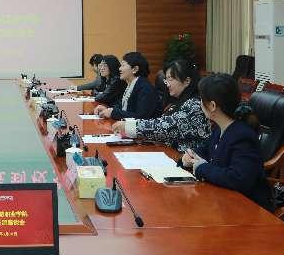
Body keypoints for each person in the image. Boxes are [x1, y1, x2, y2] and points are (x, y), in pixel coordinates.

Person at [182, 73, 272, 209]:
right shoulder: (220, 128)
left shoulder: (242, 136)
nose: (200, 103)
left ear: (212, 105)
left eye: (202, 99)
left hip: (247, 208)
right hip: (222, 200)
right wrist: (190, 156)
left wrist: (202, 168)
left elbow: (238, 178)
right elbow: (206, 150)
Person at [111, 58, 210, 152]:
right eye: (166, 80)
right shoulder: (176, 101)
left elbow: (166, 128)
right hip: (168, 152)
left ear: (187, 81)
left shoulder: (195, 105)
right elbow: (161, 122)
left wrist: (130, 126)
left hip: (185, 158)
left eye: (170, 79)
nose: (167, 84)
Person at [95, 52, 157, 120]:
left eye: (123, 65)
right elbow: (123, 107)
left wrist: (113, 113)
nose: (119, 69)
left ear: (135, 69)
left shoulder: (145, 88)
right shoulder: (131, 84)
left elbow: (141, 117)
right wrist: (108, 109)